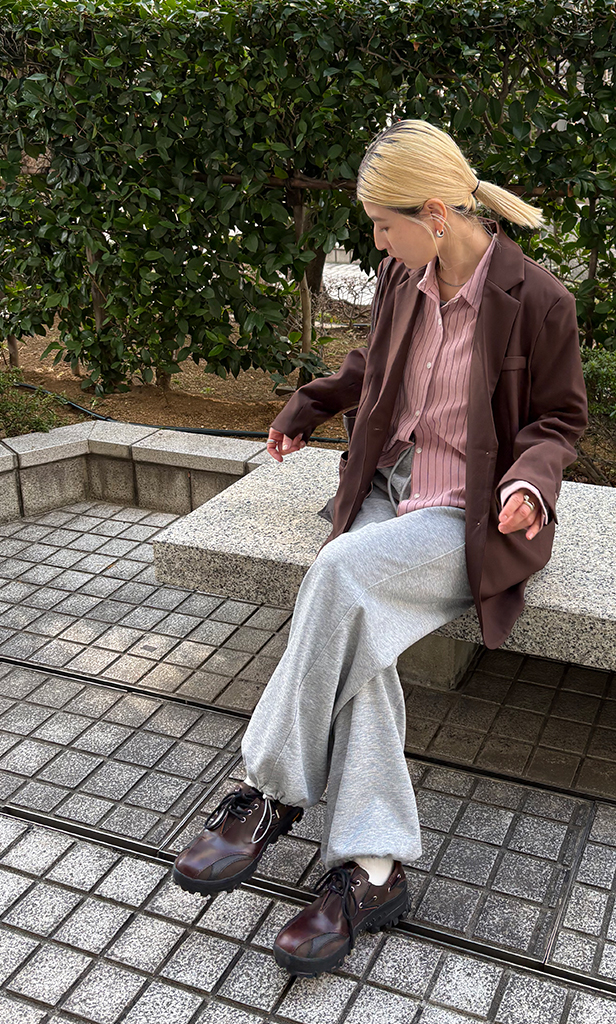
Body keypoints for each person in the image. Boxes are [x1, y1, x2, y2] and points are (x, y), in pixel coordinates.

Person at [172, 120, 587, 977]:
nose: (377, 243)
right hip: (388, 486)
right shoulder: (405, 276)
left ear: (434, 213)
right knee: (362, 646)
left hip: (469, 515)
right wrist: (311, 403)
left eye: (383, 224)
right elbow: (376, 363)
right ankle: (372, 871)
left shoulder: (539, 299)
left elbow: (558, 419)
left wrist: (529, 485)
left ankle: (266, 792)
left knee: (335, 573)